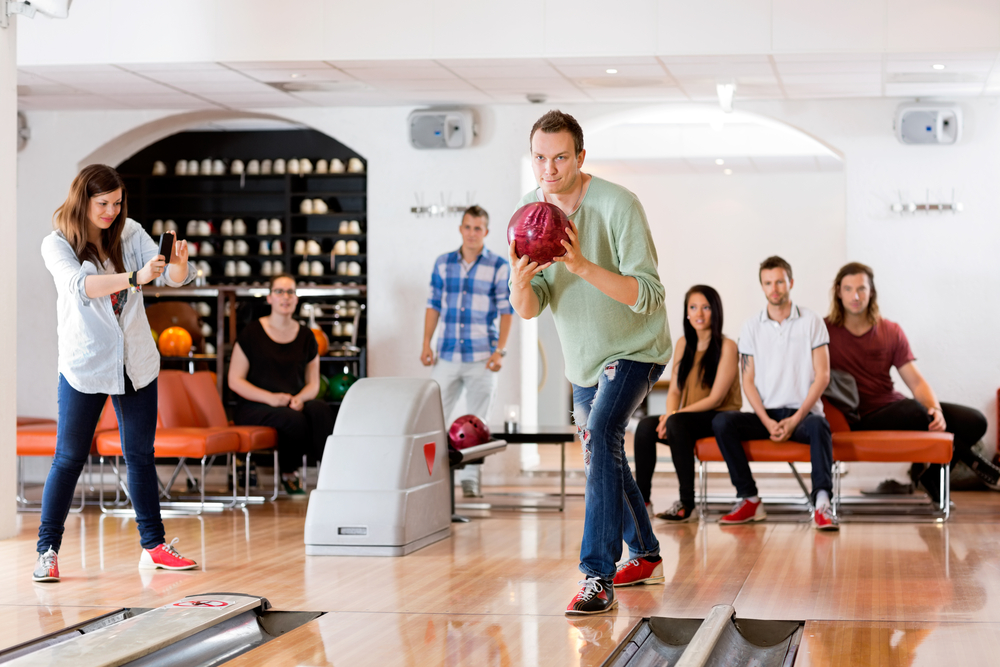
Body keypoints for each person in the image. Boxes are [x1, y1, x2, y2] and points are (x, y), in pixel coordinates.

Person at [508, 110, 673, 615]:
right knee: (602, 452)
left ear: (581, 157)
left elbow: (647, 294)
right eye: (540, 157)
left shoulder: (618, 204)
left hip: (637, 348)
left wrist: (580, 265)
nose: (549, 168)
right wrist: (518, 288)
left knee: (601, 433)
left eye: (560, 157)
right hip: (584, 361)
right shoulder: (526, 216)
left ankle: (596, 576)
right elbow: (533, 304)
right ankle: (645, 554)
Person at [36, 164, 197, 582]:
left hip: (136, 363)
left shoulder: (130, 233)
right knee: (69, 458)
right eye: (102, 203)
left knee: (140, 456)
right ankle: (47, 550)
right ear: (83, 201)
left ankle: (154, 546)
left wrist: (176, 264)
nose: (111, 211)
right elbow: (79, 287)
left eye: (117, 203)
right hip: (86, 364)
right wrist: (133, 278)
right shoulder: (57, 244)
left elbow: (176, 279)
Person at [825, 262, 999, 500]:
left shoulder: (890, 331)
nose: (855, 296)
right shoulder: (823, 332)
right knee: (915, 411)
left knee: (974, 421)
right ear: (838, 291)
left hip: (898, 410)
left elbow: (916, 382)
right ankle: (971, 462)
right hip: (859, 416)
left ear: (872, 291)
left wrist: (935, 410)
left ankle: (932, 476)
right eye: (848, 289)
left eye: (862, 289)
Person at [713, 256, 838, 531]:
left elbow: (823, 375)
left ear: (790, 283)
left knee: (819, 425)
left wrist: (795, 420)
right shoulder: (751, 326)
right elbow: (748, 380)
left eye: (780, 281)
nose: (775, 288)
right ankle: (749, 498)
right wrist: (767, 421)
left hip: (803, 414)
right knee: (722, 422)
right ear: (762, 286)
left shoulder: (812, 321)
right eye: (768, 283)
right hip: (765, 414)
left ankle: (822, 503)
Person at [421, 205, 513, 497]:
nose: (472, 233)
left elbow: (506, 311)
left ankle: (472, 479)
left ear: (485, 232)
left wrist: (501, 351)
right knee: (432, 418)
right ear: (460, 229)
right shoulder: (442, 263)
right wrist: (426, 343)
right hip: (446, 355)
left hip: (482, 357)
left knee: (477, 425)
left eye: (478, 228)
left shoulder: (498, 265)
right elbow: (433, 305)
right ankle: (431, 477)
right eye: (468, 227)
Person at [633, 286, 741, 522]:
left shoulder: (728, 346)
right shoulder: (683, 343)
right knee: (645, 427)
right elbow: (674, 390)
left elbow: (716, 399)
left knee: (677, 423)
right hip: (686, 418)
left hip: (719, 418)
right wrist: (669, 414)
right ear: (686, 313)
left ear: (716, 311)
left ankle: (686, 504)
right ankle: (643, 501)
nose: (699, 313)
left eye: (705, 307)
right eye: (693, 307)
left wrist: (674, 416)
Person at [229, 274, 335, 495]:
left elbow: (313, 383)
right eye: (279, 291)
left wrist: (301, 398)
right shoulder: (251, 333)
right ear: (269, 298)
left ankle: (329, 475)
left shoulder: (307, 336)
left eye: (290, 292)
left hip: (291, 402)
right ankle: (289, 474)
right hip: (255, 405)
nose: (285, 297)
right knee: (292, 419)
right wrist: (271, 398)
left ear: (296, 299)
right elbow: (235, 380)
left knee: (320, 410)